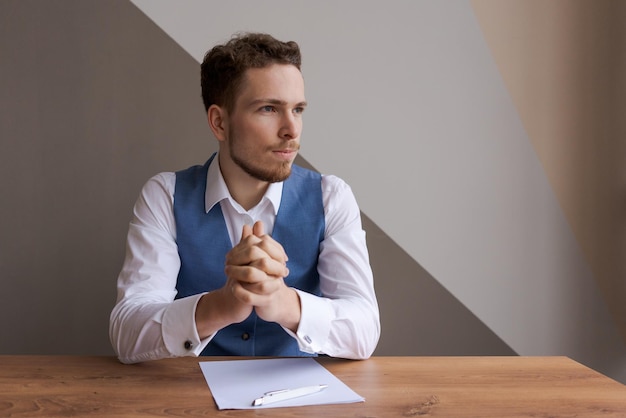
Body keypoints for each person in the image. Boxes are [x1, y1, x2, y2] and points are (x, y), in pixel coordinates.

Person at [109, 32, 380, 363]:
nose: (291, 130)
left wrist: (282, 302)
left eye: (298, 109)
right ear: (219, 122)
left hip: (302, 403)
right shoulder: (164, 195)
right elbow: (126, 332)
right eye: (269, 109)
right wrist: (220, 306)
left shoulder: (331, 197)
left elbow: (365, 331)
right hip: (191, 400)